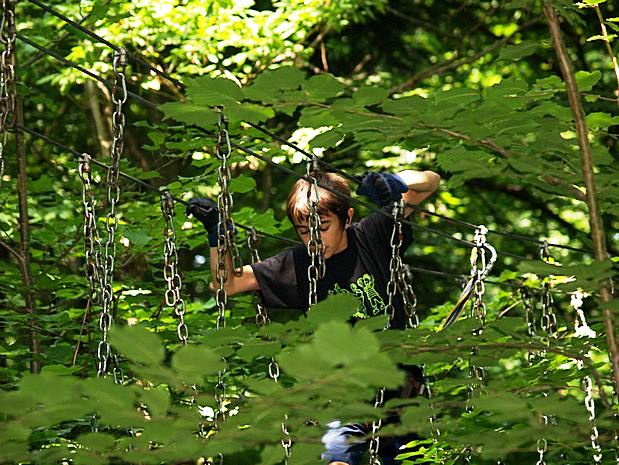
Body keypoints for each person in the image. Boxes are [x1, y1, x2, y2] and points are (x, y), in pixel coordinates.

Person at [186, 169, 441, 465]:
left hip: (402, 387)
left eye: (324, 227)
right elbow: (226, 283)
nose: (314, 240)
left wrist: (396, 181)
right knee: (337, 457)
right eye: (305, 231)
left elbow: (430, 182)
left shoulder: (371, 235)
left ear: (347, 217)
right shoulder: (298, 264)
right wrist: (218, 236)